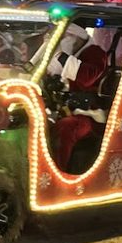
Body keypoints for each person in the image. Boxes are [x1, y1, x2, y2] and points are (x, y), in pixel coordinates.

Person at [47, 23, 111, 172]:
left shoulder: (95, 53)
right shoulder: (69, 52)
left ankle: (58, 173)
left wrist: (59, 55)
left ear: (75, 37)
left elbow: (87, 77)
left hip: (89, 114)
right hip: (60, 107)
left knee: (67, 128)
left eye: (64, 37)